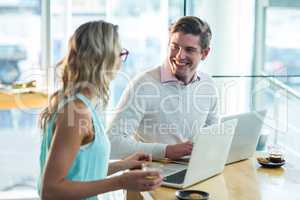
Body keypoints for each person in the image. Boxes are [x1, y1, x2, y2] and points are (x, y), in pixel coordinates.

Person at [38, 20, 162, 200]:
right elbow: (51, 190)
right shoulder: (77, 112)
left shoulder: (82, 105)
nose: (121, 62)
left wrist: (124, 164)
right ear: (102, 59)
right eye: (119, 53)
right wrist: (120, 182)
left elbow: (84, 172)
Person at [107, 16, 218, 160]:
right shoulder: (143, 85)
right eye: (174, 47)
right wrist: (165, 151)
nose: (179, 55)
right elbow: (112, 143)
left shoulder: (207, 85)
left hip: (193, 171)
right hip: (150, 175)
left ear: (205, 53)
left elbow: (213, 136)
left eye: (189, 50)